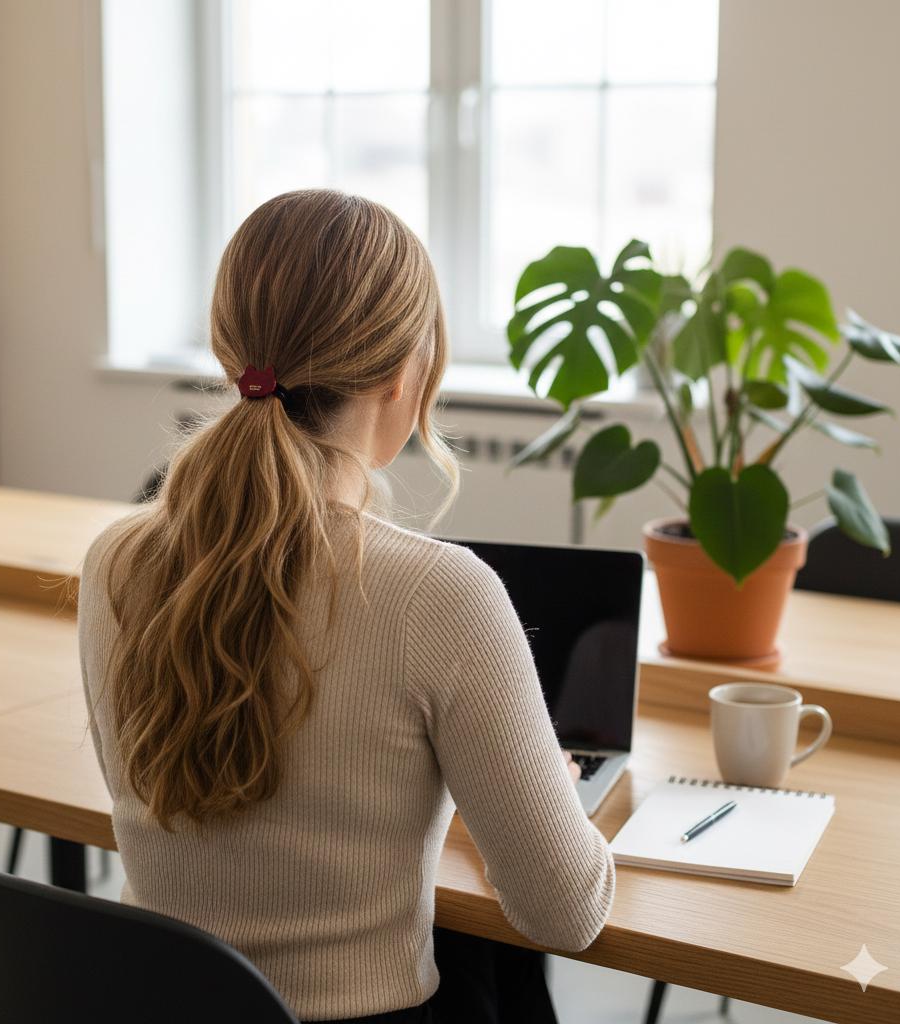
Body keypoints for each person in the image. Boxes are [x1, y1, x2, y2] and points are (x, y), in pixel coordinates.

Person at [78, 189, 614, 1023]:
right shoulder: (442, 595)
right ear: (404, 375)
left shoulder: (115, 560)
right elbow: (565, 914)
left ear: (229, 349)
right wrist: (547, 791)